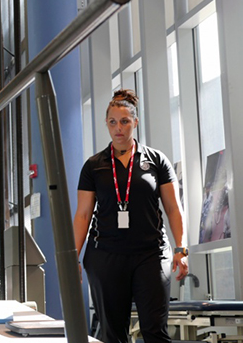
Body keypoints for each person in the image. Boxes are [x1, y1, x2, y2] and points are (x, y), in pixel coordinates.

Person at [74, 89, 188, 343]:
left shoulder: (156, 160)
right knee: (112, 333)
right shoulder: (94, 166)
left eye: (125, 121)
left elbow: (173, 208)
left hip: (151, 253)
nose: (119, 128)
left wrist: (181, 248)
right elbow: (83, 214)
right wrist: (74, 256)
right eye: (113, 122)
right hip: (105, 255)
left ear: (135, 122)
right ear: (106, 124)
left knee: (155, 330)